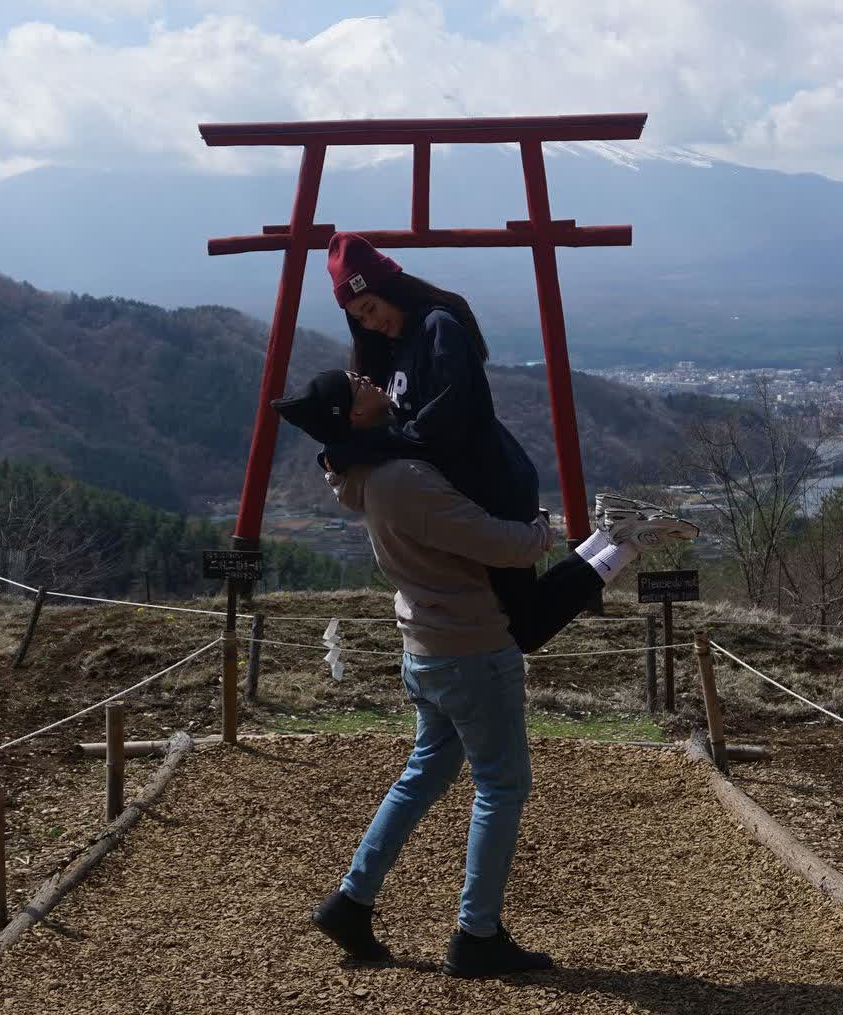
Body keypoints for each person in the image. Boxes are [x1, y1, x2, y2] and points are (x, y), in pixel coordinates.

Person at [272, 369, 698, 978]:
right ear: (351, 415)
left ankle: (351, 901)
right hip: (469, 649)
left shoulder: (358, 470)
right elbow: (505, 546)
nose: (367, 378)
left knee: (425, 773)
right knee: (501, 787)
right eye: (356, 384)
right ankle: (477, 935)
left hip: (426, 643)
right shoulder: (403, 479)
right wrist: (539, 525)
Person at [322, 231, 558, 636]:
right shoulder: (388, 348)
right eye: (360, 317)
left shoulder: (439, 329)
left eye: (372, 307)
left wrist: (361, 448)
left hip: (492, 487)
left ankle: (609, 550)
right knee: (513, 617)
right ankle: (608, 548)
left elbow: (441, 427)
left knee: (527, 623)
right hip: (454, 495)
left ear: (390, 288)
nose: (372, 322)